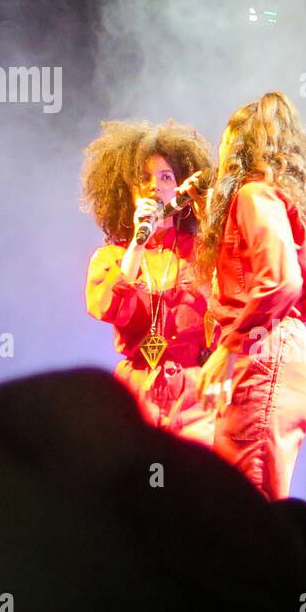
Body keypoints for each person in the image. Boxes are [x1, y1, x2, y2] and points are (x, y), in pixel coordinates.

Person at [195, 92, 306, 499]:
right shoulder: (275, 196)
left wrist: (228, 350)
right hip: (280, 348)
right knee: (249, 499)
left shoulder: (253, 194)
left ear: (238, 144)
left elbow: (281, 282)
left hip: (265, 352)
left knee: (247, 503)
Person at [81, 119, 216, 445]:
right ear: (126, 192)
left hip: (196, 393)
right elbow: (107, 307)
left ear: (178, 186)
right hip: (135, 393)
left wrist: (209, 214)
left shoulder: (200, 252)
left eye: (166, 177)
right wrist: (138, 241)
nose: (155, 186)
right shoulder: (111, 257)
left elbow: (226, 309)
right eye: (144, 179)